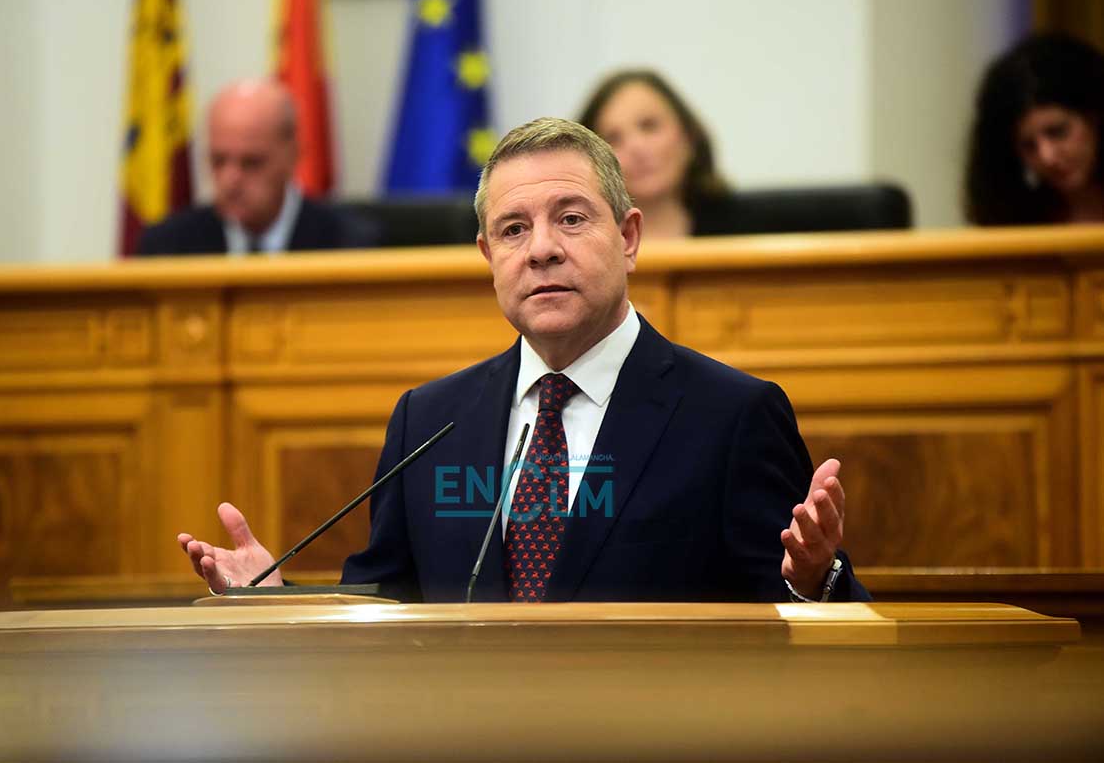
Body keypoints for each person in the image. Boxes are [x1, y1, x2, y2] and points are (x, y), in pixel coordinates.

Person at [180, 117, 869, 604]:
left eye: (571, 219)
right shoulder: (428, 420)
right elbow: (384, 606)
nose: (541, 250)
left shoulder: (731, 415)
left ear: (628, 237)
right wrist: (277, 598)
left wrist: (813, 579)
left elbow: (804, 634)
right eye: (513, 229)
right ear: (489, 257)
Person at [138, 79, 379, 255]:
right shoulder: (167, 247)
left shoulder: (350, 246)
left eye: (251, 163)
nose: (230, 180)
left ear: (293, 156)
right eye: (218, 161)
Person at [966, 33, 1104, 227]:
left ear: (1095, 116)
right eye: (1029, 145)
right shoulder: (1015, 222)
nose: (1047, 157)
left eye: (1058, 132)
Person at [577, 70, 729, 238]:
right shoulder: (577, 241)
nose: (637, 148)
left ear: (688, 135)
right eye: (613, 138)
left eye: (649, 126)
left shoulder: (749, 226)